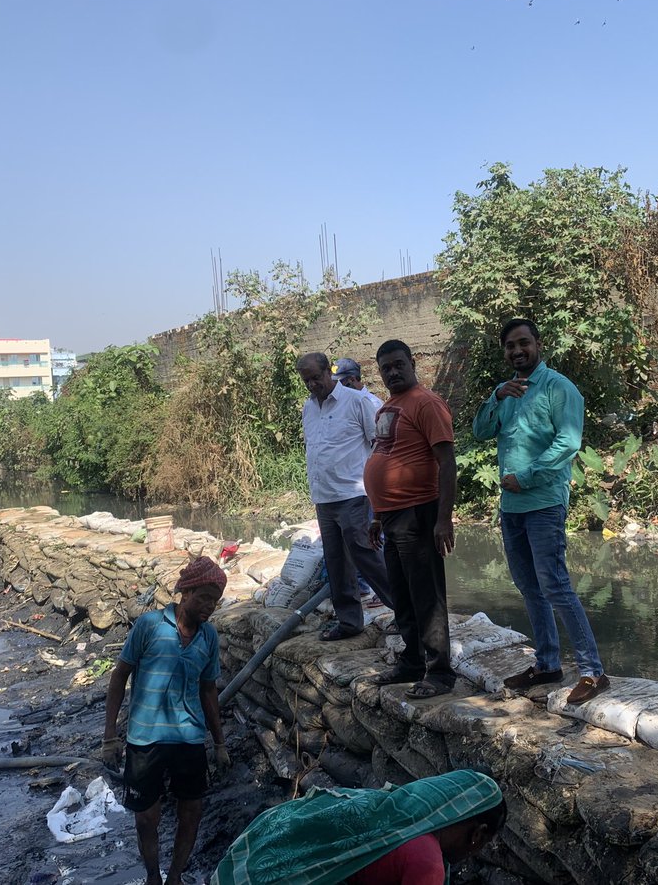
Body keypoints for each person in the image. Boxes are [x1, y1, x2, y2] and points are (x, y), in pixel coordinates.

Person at [472, 318, 609, 705]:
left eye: (523, 343)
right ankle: (547, 663)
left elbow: (569, 442)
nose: (517, 351)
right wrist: (497, 396)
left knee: (555, 585)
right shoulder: (508, 392)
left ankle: (593, 671)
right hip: (511, 506)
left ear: (538, 343)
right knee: (528, 586)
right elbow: (480, 432)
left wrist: (528, 476)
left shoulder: (559, 388)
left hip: (544, 502)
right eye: (510, 346)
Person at [103, 557, 232, 885]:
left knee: (192, 811)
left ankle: (174, 877)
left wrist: (219, 743)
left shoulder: (209, 638)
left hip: (188, 738)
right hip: (145, 738)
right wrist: (109, 737)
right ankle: (152, 877)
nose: (208, 607)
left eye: (214, 602)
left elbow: (208, 691)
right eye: (203, 597)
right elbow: (119, 677)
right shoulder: (148, 626)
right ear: (184, 592)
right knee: (147, 816)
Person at [210, 769, 506, 885]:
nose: (474, 852)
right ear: (477, 833)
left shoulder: (382, 805)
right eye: (482, 844)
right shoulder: (427, 862)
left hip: (247, 863)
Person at [363, 339, 457, 699]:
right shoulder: (387, 406)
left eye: (399, 364)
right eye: (386, 367)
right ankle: (412, 660)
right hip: (390, 517)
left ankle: (440, 672)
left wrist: (443, 519)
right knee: (401, 592)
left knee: (426, 594)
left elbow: (447, 463)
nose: (393, 372)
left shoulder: (426, 403)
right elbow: (384, 456)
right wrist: (376, 515)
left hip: (419, 512)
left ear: (412, 362)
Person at [296, 352, 394, 640]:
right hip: (324, 498)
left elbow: (380, 445)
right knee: (337, 563)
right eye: (306, 380)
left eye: (316, 377)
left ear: (329, 372)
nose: (312, 384)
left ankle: (406, 612)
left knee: (368, 559)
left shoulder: (357, 401)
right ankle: (350, 622)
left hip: (354, 494)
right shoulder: (308, 408)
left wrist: (379, 493)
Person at [332, 357, 387, 607]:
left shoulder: (371, 404)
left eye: (341, 382)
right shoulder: (342, 404)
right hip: (349, 487)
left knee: (374, 539)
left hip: (367, 485)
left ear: (353, 380)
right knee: (361, 540)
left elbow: (382, 446)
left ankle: (384, 592)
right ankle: (364, 586)